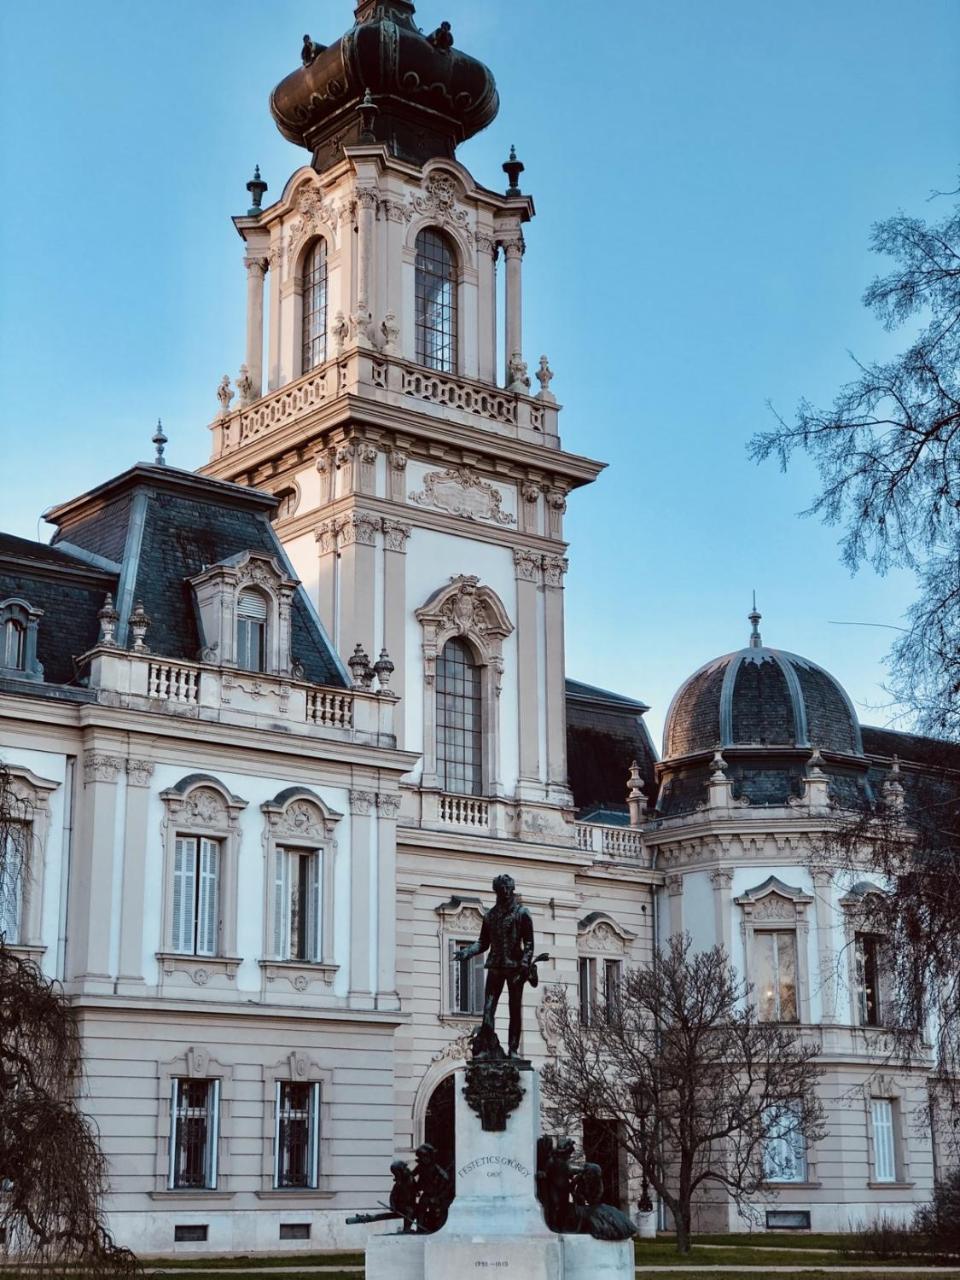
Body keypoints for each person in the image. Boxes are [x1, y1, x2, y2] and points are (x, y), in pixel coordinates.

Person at [454, 874, 534, 1058]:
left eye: (507, 889)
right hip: (496, 966)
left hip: (514, 967)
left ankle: (513, 1049)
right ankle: (486, 1046)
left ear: (511, 890)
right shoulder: (490, 916)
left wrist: (524, 964)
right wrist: (467, 952)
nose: (504, 893)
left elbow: (529, 943)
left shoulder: (522, 913)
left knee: (515, 1008)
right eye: (500, 890)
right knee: (488, 1007)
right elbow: (483, 942)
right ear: (496, 891)